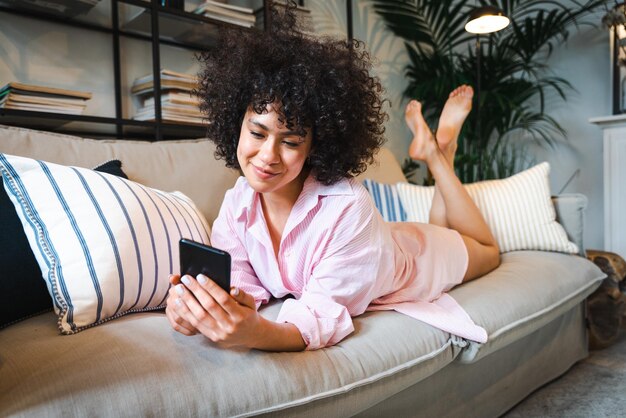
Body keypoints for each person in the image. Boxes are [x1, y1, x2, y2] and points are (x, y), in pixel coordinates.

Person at [165, 4, 500, 351]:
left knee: (488, 250)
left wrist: (254, 332)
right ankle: (440, 149)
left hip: (419, 258)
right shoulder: (237, 202)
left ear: (315, 144)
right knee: (445, 225)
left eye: (291, 141)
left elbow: (317, 319)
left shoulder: (348, 206)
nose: (267, 156)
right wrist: (199, 308)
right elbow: (239, 284)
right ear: (237, 125)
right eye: (258, 132)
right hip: (379, 242)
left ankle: (438, 155)